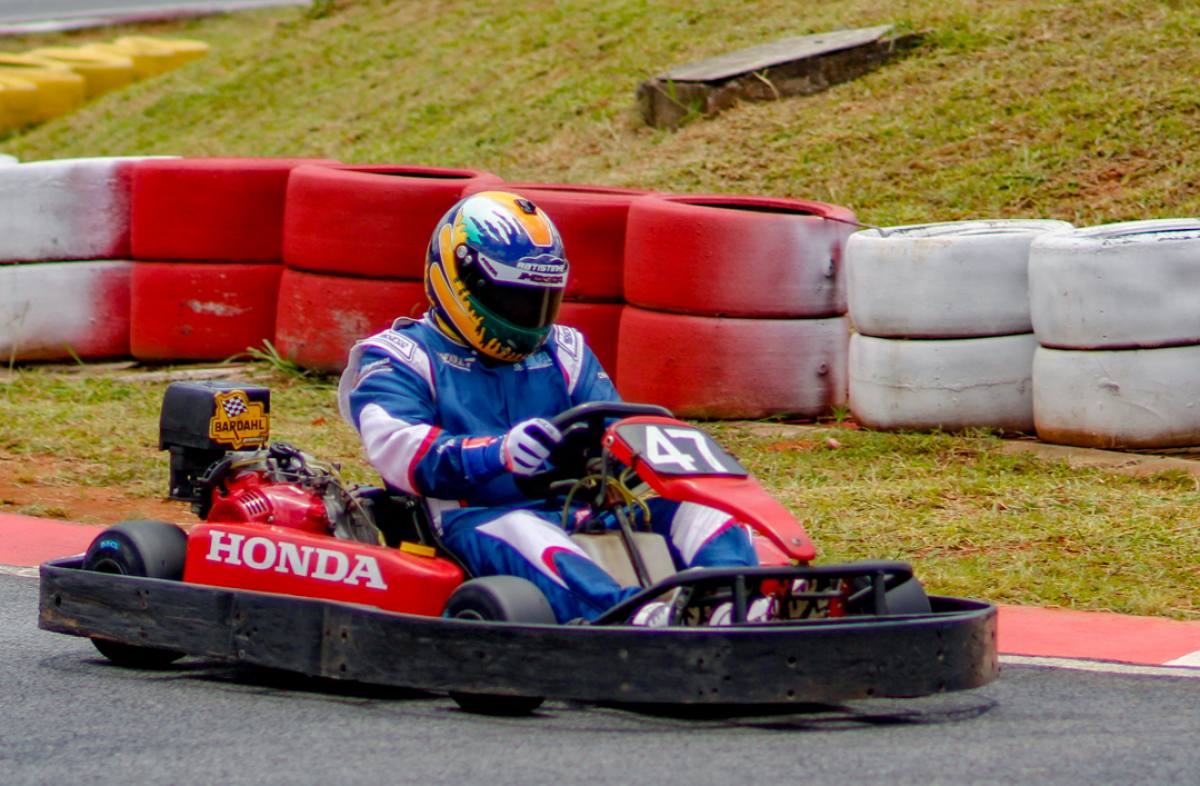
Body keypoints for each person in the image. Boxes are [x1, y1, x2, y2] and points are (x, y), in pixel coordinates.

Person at [338, 191, 760, 624]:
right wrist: (497, 453)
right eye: (516, 299)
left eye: (541, 298)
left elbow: (616, 426)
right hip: (472, 522)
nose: (531, 315)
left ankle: (732, 602)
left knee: (706, 510)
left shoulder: (566, 350)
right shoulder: (397, 356)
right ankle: (631, 618)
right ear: (460, 279)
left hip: (580, 511)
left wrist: (629, 451)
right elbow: (402, 454)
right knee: (524, 529)